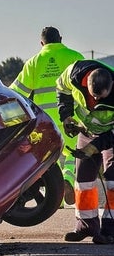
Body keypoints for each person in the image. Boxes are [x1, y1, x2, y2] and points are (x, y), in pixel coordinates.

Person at [10, 26, 84, 204]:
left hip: (45, 119)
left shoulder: (34, 62)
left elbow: (17, 92)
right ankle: (68, 179)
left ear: (42, 43)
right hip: (70, 116)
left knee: (52, 157)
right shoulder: (75, 57)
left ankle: (56, 197)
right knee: (74, 152)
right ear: (61, 39)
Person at [56, 60, 114, 244]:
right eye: (93, 96)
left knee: (112, 179)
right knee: (83, 181)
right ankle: (86, 226)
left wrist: (94, 147)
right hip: (87, 132)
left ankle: (110, 230)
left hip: (110, 135)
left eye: (100, 98)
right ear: (86, 81)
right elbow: (61, 88)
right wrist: (66, 116)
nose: (95, 101)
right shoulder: (75, 72)